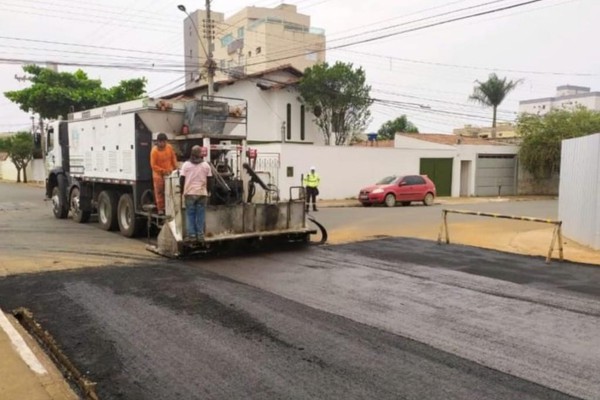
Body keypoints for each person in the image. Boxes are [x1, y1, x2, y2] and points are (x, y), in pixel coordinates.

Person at [179, 145, 212, 242]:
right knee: (200, 214)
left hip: (189, 193)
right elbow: (210, 180)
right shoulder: (206, 165)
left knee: (190, 214)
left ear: (191, 154)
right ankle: (200, 236)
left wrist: (182, 192)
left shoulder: (186, 165)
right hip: (202, 193)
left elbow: (182, 179)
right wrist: (208, 191)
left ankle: (192, 236)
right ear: (201, 154)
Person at [150, 133, 178, 215]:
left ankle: (170, 206)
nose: (163, 144)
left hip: (170, 173)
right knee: (160, 191)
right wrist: (163, 171)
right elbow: (153, 165)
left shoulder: (169, 147)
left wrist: (176, 167)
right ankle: (161, 208)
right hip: (158, 175)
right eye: (161, 142)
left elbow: (173, 157)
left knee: (171, 190)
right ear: (158, 142)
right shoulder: (154, 151)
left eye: (164, 142)